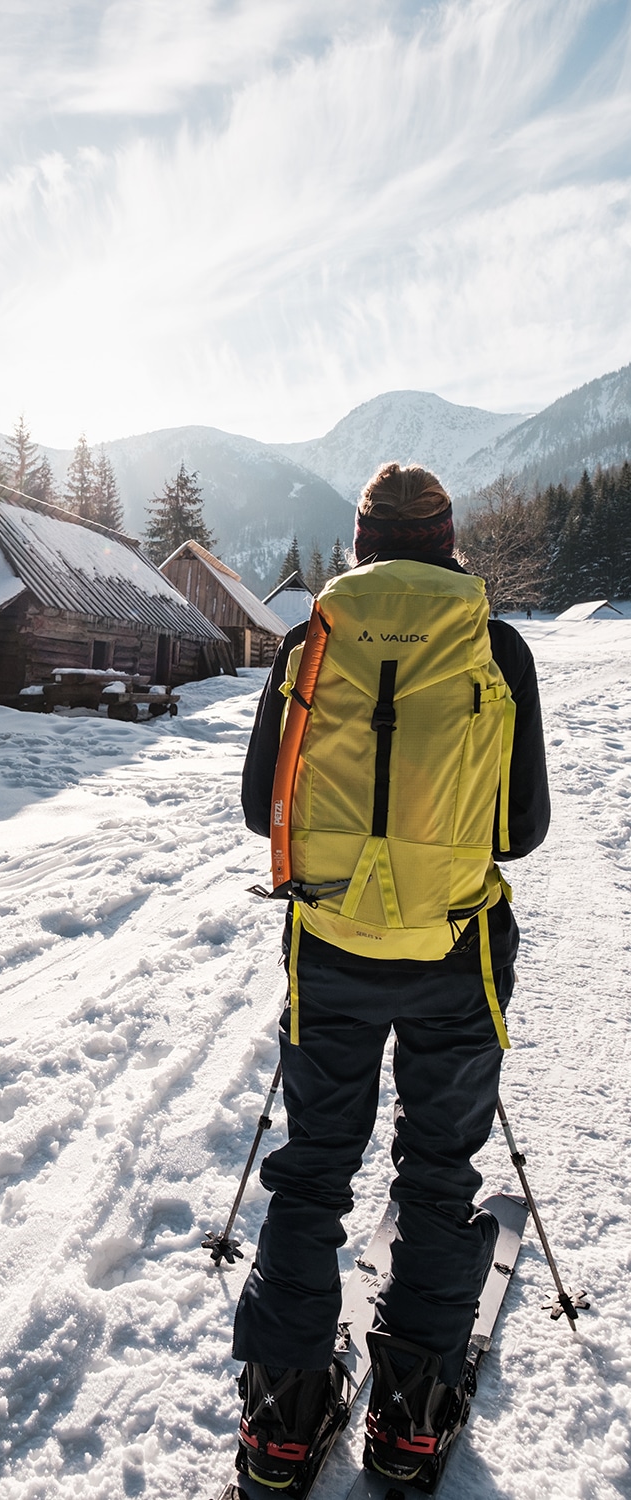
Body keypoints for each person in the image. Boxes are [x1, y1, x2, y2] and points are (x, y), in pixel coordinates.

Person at [231, 463, 550, 1495]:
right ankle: (410, 1416)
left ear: (360, 540)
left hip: (327, 951)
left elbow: (256, 810)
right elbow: (521, 829)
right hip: (452, 952)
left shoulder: (305, 640)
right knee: (434, 1170)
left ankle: (280, 1418)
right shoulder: (492, 644)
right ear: (446, 536)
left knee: (314, 1169)